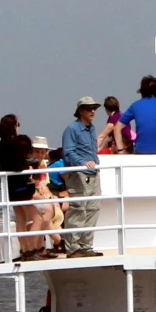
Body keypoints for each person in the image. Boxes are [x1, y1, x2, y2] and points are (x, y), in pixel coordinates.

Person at [59, 97, 104, 255]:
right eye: (88, 108)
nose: (92, 111)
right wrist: (84, 163)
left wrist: (93, 164)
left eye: (94, 108)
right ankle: (73, 248)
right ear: (80, 111)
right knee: (78, 210)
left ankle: (86, 246)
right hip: (78, 174)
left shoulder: (92, 128)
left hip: (93, 174)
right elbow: (68, 152)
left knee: (93, 209)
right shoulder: (72, 129)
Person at [0, 114, 39, 257]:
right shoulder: (15, 144)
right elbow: (19, 165)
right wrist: (29, 168)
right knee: (38, 217)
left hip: (9, 188)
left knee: (20, 217)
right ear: (14, 126)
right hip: (21, 187)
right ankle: (32, 249)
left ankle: (24, 248)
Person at [122, 76, 156, 156]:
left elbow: (117, 127)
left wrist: (120, 150)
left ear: (142, 91)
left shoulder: (135, 106)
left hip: (141, 151)